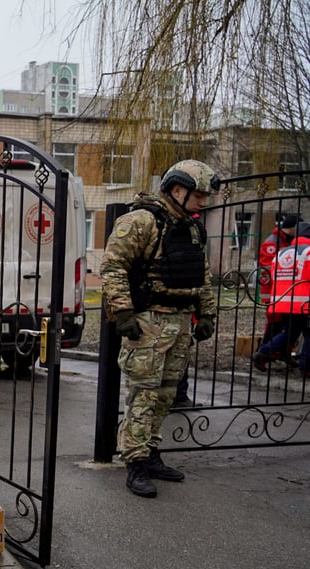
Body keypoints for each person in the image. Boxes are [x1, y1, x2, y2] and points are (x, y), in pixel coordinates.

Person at [101, 159, 219, 498]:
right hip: (148, 323)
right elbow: (113, 267)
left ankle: (151, 452)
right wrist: (123, 313)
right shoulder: (140, 222)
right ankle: (135, 462)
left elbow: (202, 275)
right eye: (198, 195)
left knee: (166, 396)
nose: (202, 202)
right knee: (144, 395)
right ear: (177, 190)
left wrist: (207, 314)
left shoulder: (193, 228)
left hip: (180, 324)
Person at [253, 212, 309, 372]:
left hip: (286, 295)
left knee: (289, 330)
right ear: (291, 228)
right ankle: (265, 353)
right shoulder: (273, 243)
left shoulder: (287, 245)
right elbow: (266, 272)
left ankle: (277, 354)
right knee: (275, 327)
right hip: (276, 295)